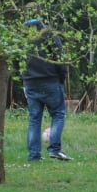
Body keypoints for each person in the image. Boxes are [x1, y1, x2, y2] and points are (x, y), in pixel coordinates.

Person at [22, 19, 71, 162]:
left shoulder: (22, 40)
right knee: (58, 114)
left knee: (34, 119)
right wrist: (62, 78)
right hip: (50, 81)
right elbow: (60, 58)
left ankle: (34, 155)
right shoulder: (49, 36)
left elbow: (16, 62)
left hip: (30, 82)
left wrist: (24, 78)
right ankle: (55, 150)